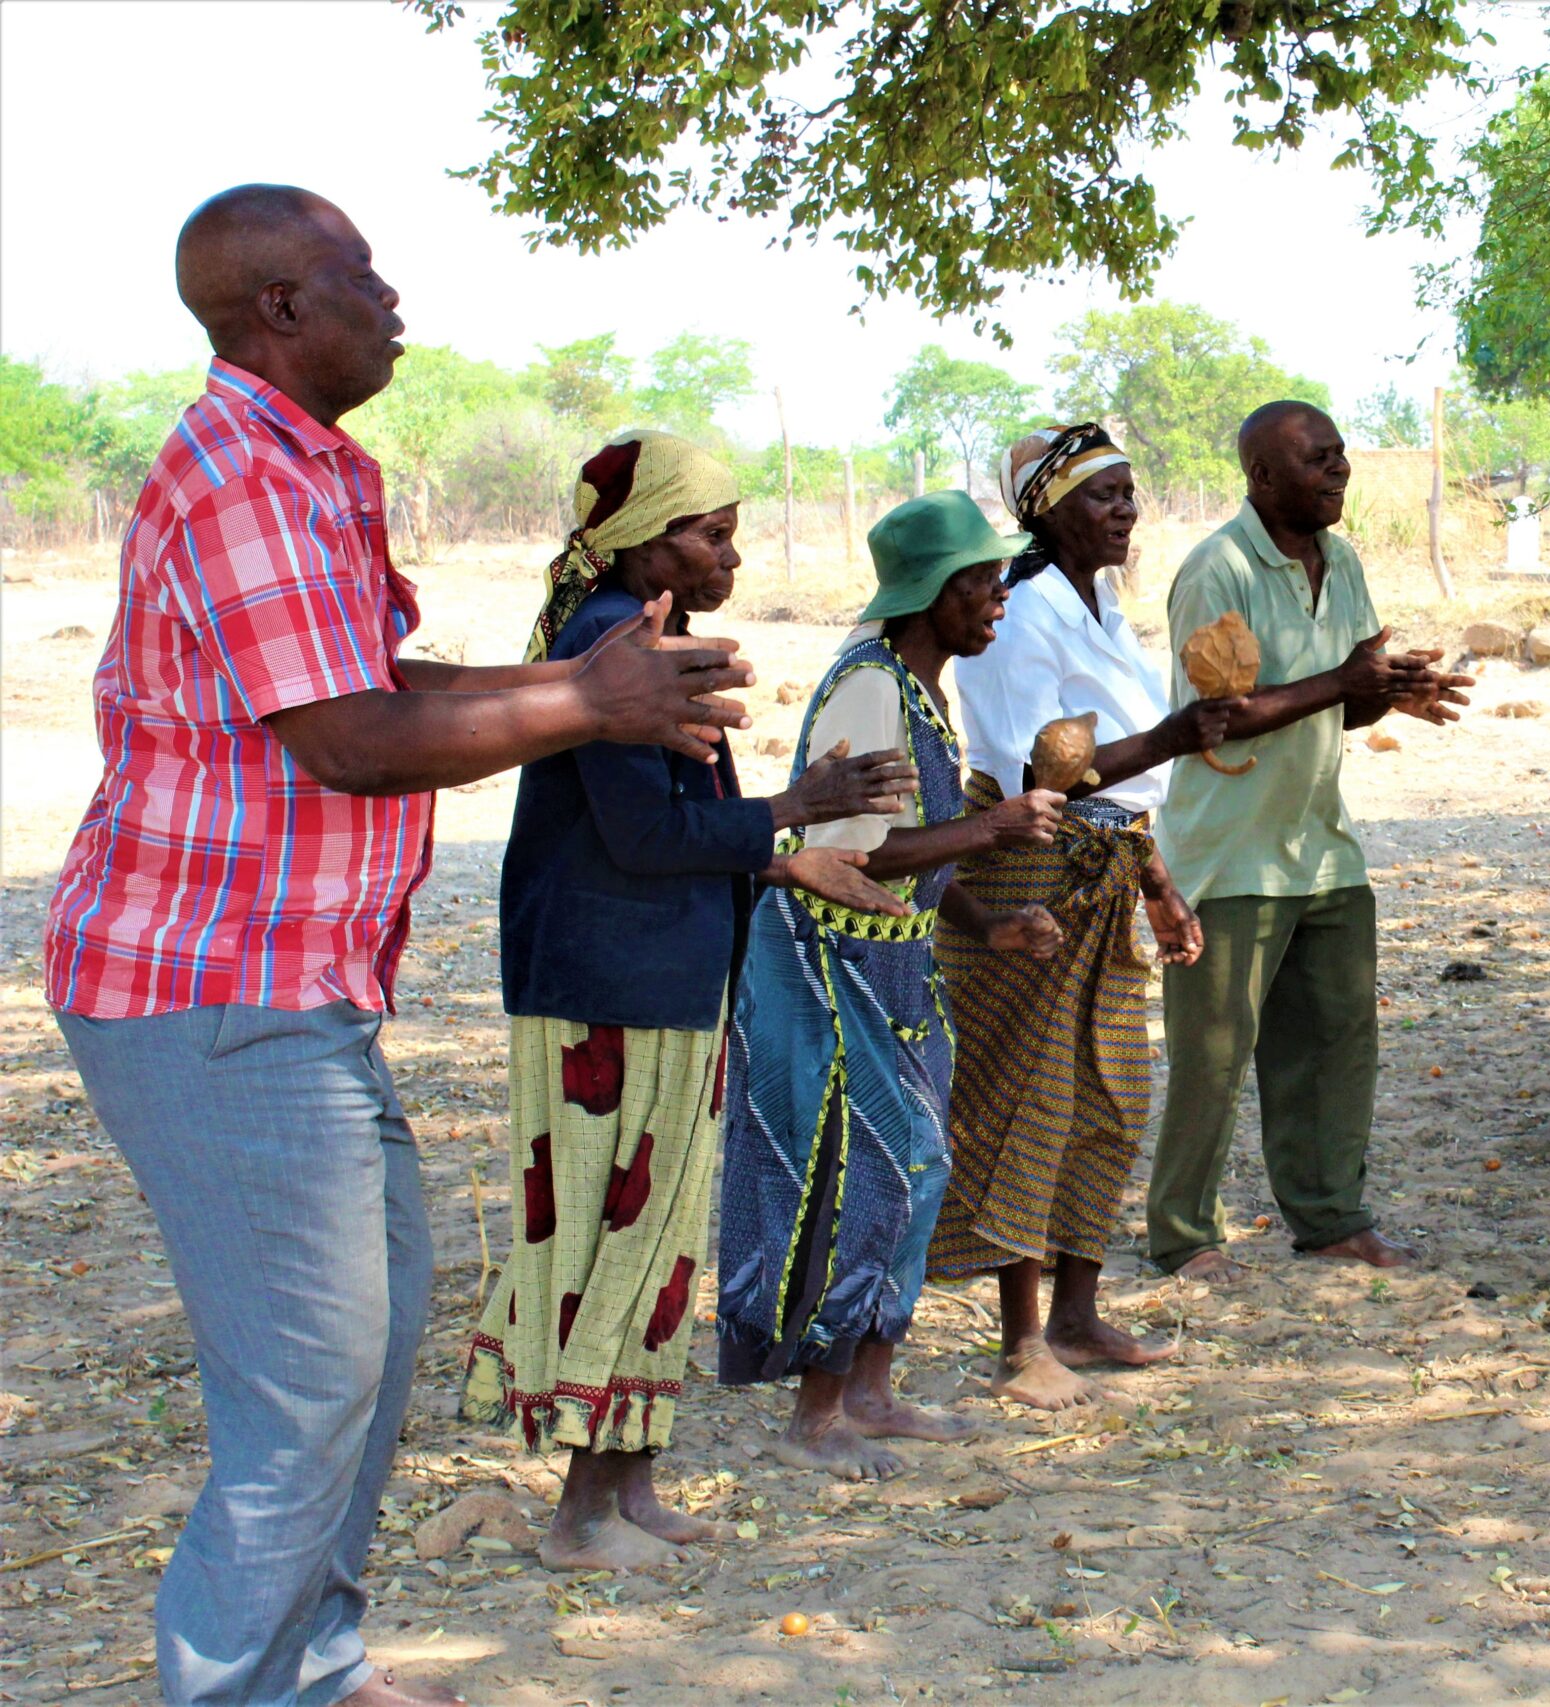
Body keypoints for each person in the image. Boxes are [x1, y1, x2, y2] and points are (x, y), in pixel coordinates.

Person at [43, 186, 750, 1707]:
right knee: (305, 1381)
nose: (393, 294)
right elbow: (353, 738)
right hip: (208, 981)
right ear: (281, 309)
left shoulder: (310, 469)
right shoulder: (239, 472)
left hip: (297, 983)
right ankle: (244, 1683)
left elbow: (371, 673)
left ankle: (318, 1661)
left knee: (364, 1353)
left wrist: (579, 676)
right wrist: (588, 702)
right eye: (361, 272)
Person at [459, 432, 920, 1568]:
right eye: (712, 534)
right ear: (642, 540)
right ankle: (579, 1515)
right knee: (615, 1240)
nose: (731, 555)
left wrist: (783, 841)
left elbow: (660, 834)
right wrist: (790, 808)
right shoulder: (609, 649)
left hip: (652, 981)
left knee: (657, 1240)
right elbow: (645, 835)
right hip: (609, 995)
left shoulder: (633, 644)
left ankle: (630, 1483)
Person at [718, 490, 1067, 1477]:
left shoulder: (914, 686)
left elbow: (907, 855)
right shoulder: (870, 689)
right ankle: (818, 1415)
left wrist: (984, 922)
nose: (998, 598)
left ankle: (868, 1391)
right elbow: (852, 856)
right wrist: (993, 831)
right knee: (866, 1171)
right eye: (982, 582)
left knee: (912, 1172)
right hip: (831, 963)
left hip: (893, 963)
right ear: (932, 593)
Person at [929, 426, 1244, 1408]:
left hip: (1104, 860)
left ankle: (1076, 1310)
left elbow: (1117, 777)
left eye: (1129, 492)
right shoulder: (1020, 614)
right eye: (1103, 494)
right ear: (1047, 507)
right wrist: (1169, 734)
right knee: (1031, 1097)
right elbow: (1037, 770)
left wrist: (1153, 881)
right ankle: (1021, 1340)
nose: (1126, 510)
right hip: (1033, 868)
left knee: (1111, 1097)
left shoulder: (1098, 603)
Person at [1146, 401, 1472, 1285]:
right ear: (1261, 476)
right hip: (1228, 852)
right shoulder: (1218, 570)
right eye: (1317, 459)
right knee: (1214, 1052)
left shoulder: (1343, 557)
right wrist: (1345, 679)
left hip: (1322, 843)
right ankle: (1183, 1233)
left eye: (1339, 456)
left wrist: (1395, 687)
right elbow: (1212, 719)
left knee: (1334, 1040)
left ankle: (1330, 1217)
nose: (1339, 471)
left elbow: (1352, 697)